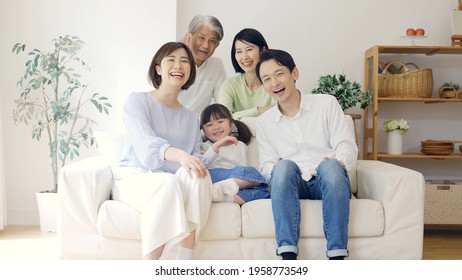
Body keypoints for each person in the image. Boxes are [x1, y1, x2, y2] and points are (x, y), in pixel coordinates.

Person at [255, 49, 358, 260]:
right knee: (282, 167)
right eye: (267, 79)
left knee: (330, 167)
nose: (274, 82)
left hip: (328, 182)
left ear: (294, 73)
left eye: (279, 73)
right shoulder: (264, 123)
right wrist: (275, 170)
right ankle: (288, 257)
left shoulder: (326, 104)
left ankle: (337, 257)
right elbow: (266, 164)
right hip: (293, 185)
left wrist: (339, 162)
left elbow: (346, 144)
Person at [116, 42, 213, 260]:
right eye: (172, 60)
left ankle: (183, 263)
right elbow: (147, 149)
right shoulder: (137, 101)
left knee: (199, 176)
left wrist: (210, 154)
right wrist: (179, 155)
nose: (178, 65)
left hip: (173, 183)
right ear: (158, 68)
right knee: (166, 183)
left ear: (189, 72)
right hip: (135, 178)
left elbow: (194, 158)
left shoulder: (190, 118)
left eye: (185, 61)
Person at [200, 103, 269, 205]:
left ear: (231, 125)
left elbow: (242, 168)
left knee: (264, 192)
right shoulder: (205, 146)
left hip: (237, 181)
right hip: (215, 177)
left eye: (220, 121)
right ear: (204, 131)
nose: (215, 127)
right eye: (209, 125)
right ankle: (221, 188)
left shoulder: (239, 144)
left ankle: (220, 195)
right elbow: (202, 164)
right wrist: (216, 146)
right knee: (253, 173)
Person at [218, 28, 274, 119]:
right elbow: (223, 119)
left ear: (263, 50)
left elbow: (280, 112)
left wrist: (237, 116)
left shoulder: (274, 82)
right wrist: (259, 110)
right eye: (239, 51)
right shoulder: (229, 86)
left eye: (249, 49)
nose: (244, 57)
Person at [178, 15, 227, 114]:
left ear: (217, 45)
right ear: (189, 36)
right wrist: (182, 56)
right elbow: (166, 98)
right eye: (201, 38)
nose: (206, 46)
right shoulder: (173, 62)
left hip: (199, 126)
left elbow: (223, 104)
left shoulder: (216, 65)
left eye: (212, 41)